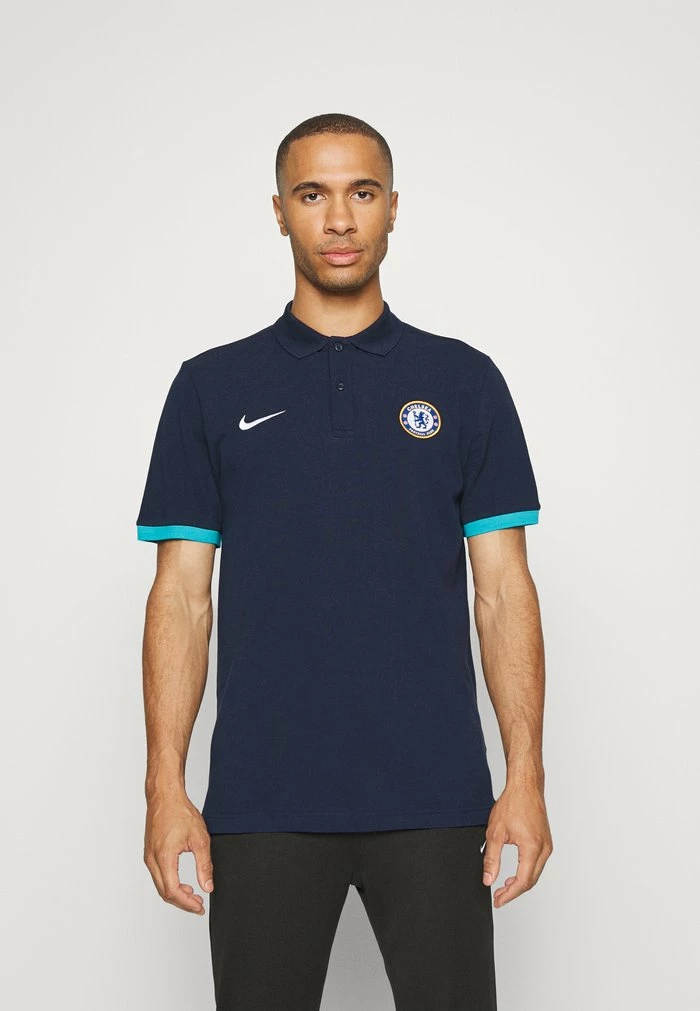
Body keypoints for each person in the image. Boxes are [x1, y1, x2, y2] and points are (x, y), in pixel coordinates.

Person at [136, 111, 553, 1010]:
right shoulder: (210, 387)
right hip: (263, 801)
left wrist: (525, 775)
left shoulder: (465, 382)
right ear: (278, 211)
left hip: (437, 798)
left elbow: (502, 590)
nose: (337, 219)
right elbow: (182, 600)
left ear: (393, 207)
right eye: (312, 194)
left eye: (361, 192)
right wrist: (165, 787)